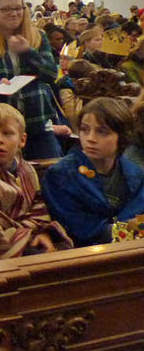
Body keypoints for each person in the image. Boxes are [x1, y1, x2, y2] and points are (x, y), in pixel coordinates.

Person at [0, 0, 62, 162]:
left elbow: (50, 74)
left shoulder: (37, 37)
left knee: (49, 172)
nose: (14, 13)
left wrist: (27, 52)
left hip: (37, 121)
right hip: (0, 126)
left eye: (19, 8)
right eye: (7, 9)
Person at [0, 103, 72, 259]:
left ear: (22, 140)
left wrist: (43, 233)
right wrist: (27, 236)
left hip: (27, 237)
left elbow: (38, 208)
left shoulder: (27, 170)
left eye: (7, 134)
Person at [42, 98, 144, 247]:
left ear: (121, 136)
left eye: (102, 132)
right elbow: (81, 229)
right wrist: (127, 230)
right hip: (79, 254)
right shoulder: (61, 175)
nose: (90, 139)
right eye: (84, 129)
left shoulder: (135, 174)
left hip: (130, 248)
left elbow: (138, 214)